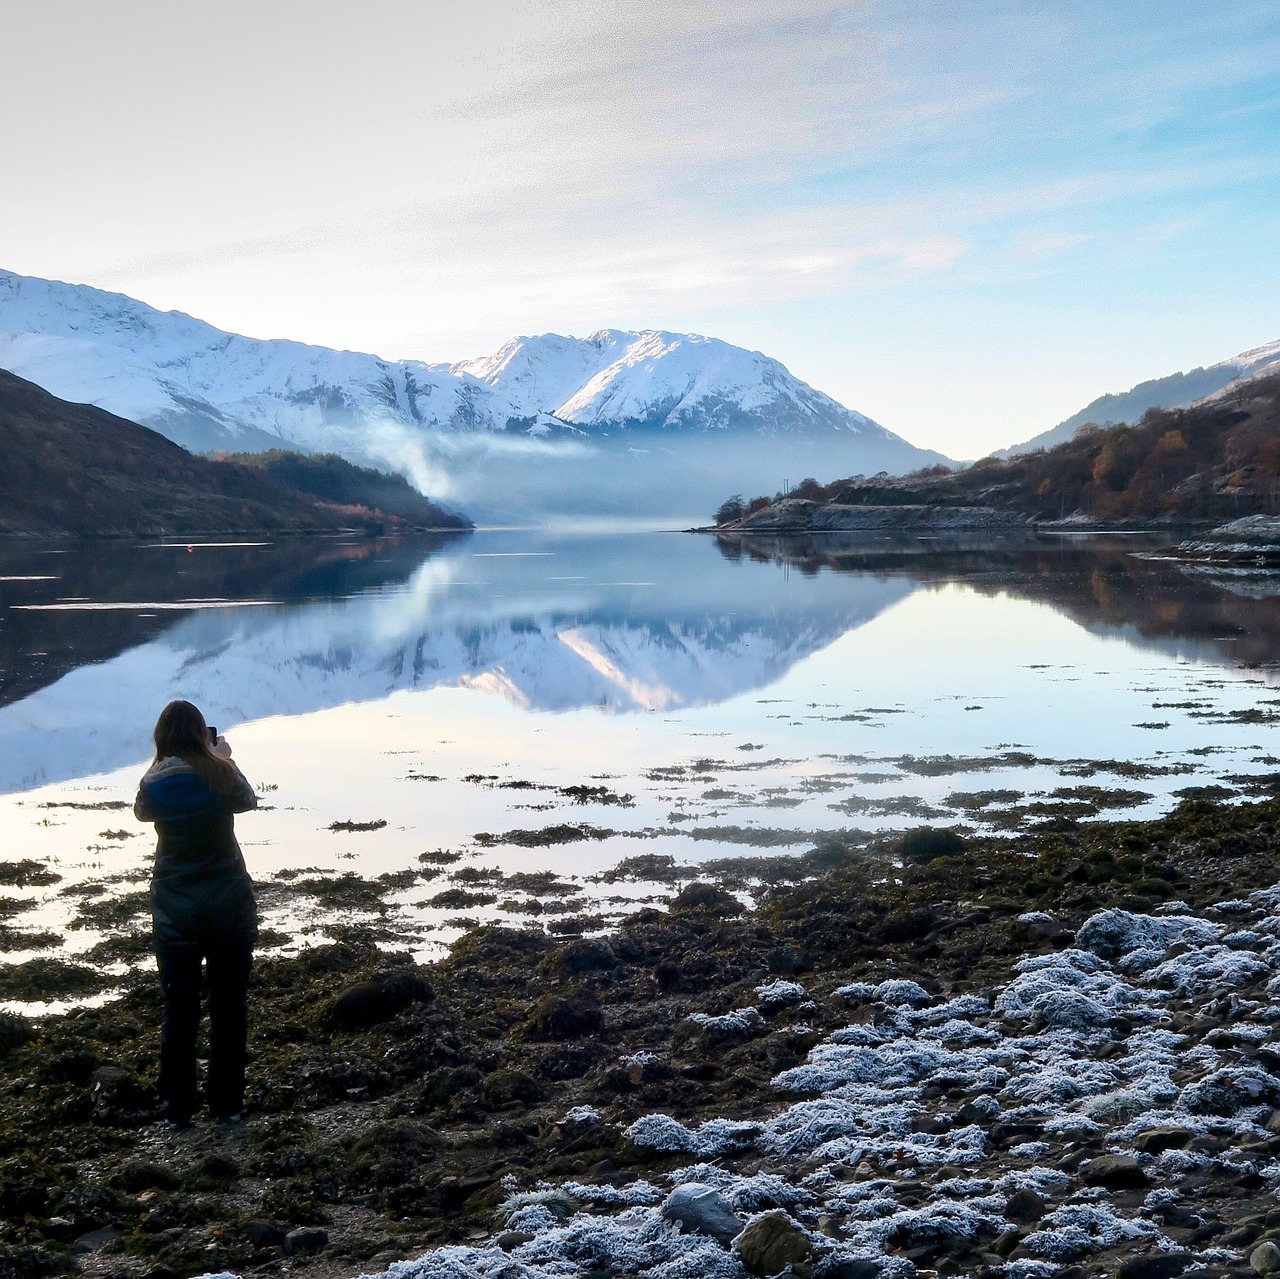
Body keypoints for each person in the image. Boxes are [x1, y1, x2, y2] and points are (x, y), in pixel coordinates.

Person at [134, 700, 258, 1127]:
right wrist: (223, 759)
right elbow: (248, 801)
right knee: (229, 1008)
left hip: (175, 912)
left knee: (179, 1009)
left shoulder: (153, 785)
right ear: (199, 736)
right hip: (228, 905)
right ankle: (227, 1105)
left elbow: (141, 811)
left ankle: (176, 1107)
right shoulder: (221, 775)